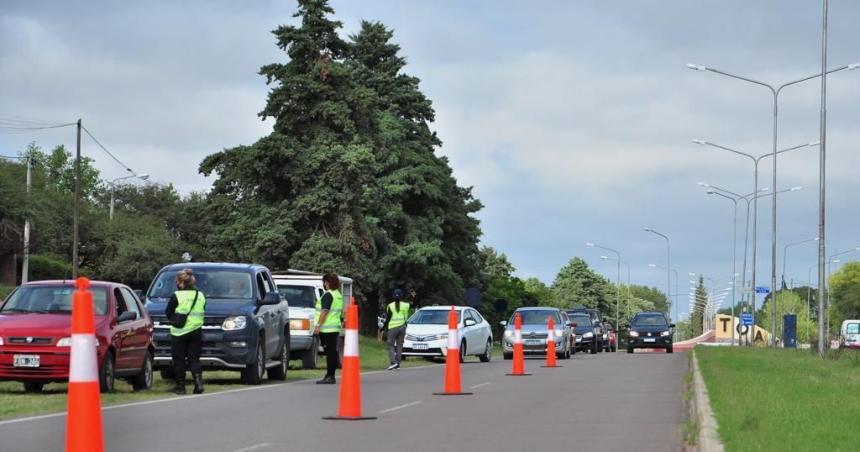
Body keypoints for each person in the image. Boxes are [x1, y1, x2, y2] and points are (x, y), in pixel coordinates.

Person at [165, 268, 207, 395]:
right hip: (196, 330)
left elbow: (168, 312)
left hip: (179, 332)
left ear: (180, 282)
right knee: (194, 359)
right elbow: (203, 308)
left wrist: (175, 319)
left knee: (179, 360)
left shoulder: (177, 295)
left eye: (177, 281)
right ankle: (198, 383)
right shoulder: (200, 295)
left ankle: (180, 387)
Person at [314, 272, 344, 384]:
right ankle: (329, 375)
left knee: (330, 353)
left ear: (327, 283)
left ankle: (330, 376)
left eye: (324, 282)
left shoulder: (328, 295)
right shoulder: (338, 295)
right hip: (334, 328)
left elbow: (324, 311)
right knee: (332, 352)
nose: (324, 284)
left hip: (327, 329)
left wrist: (318, 325)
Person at [383, 288, 411, 370]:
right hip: (402, 327)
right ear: (401, 296)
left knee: (390, 345)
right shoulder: (406, 305)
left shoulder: (390, 306)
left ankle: (393, 362)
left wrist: (384, 328)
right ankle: (398, 364)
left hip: (392, 327)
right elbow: (406, 316)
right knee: (399, 346)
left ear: (393, 296)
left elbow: (388, 319)